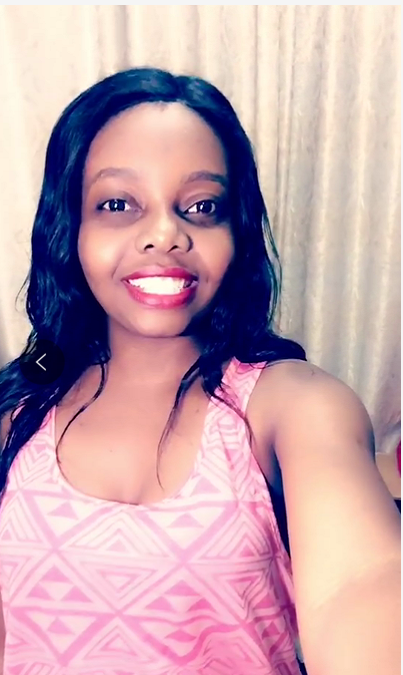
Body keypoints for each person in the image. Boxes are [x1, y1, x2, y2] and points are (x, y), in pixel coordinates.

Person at [0, 68, 399, 675]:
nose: (166, 234)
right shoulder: (17, 414)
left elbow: (361, 585)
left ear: (236, 233)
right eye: (117, 204)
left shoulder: (292, 405)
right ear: (70, 229)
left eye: (201, 207)